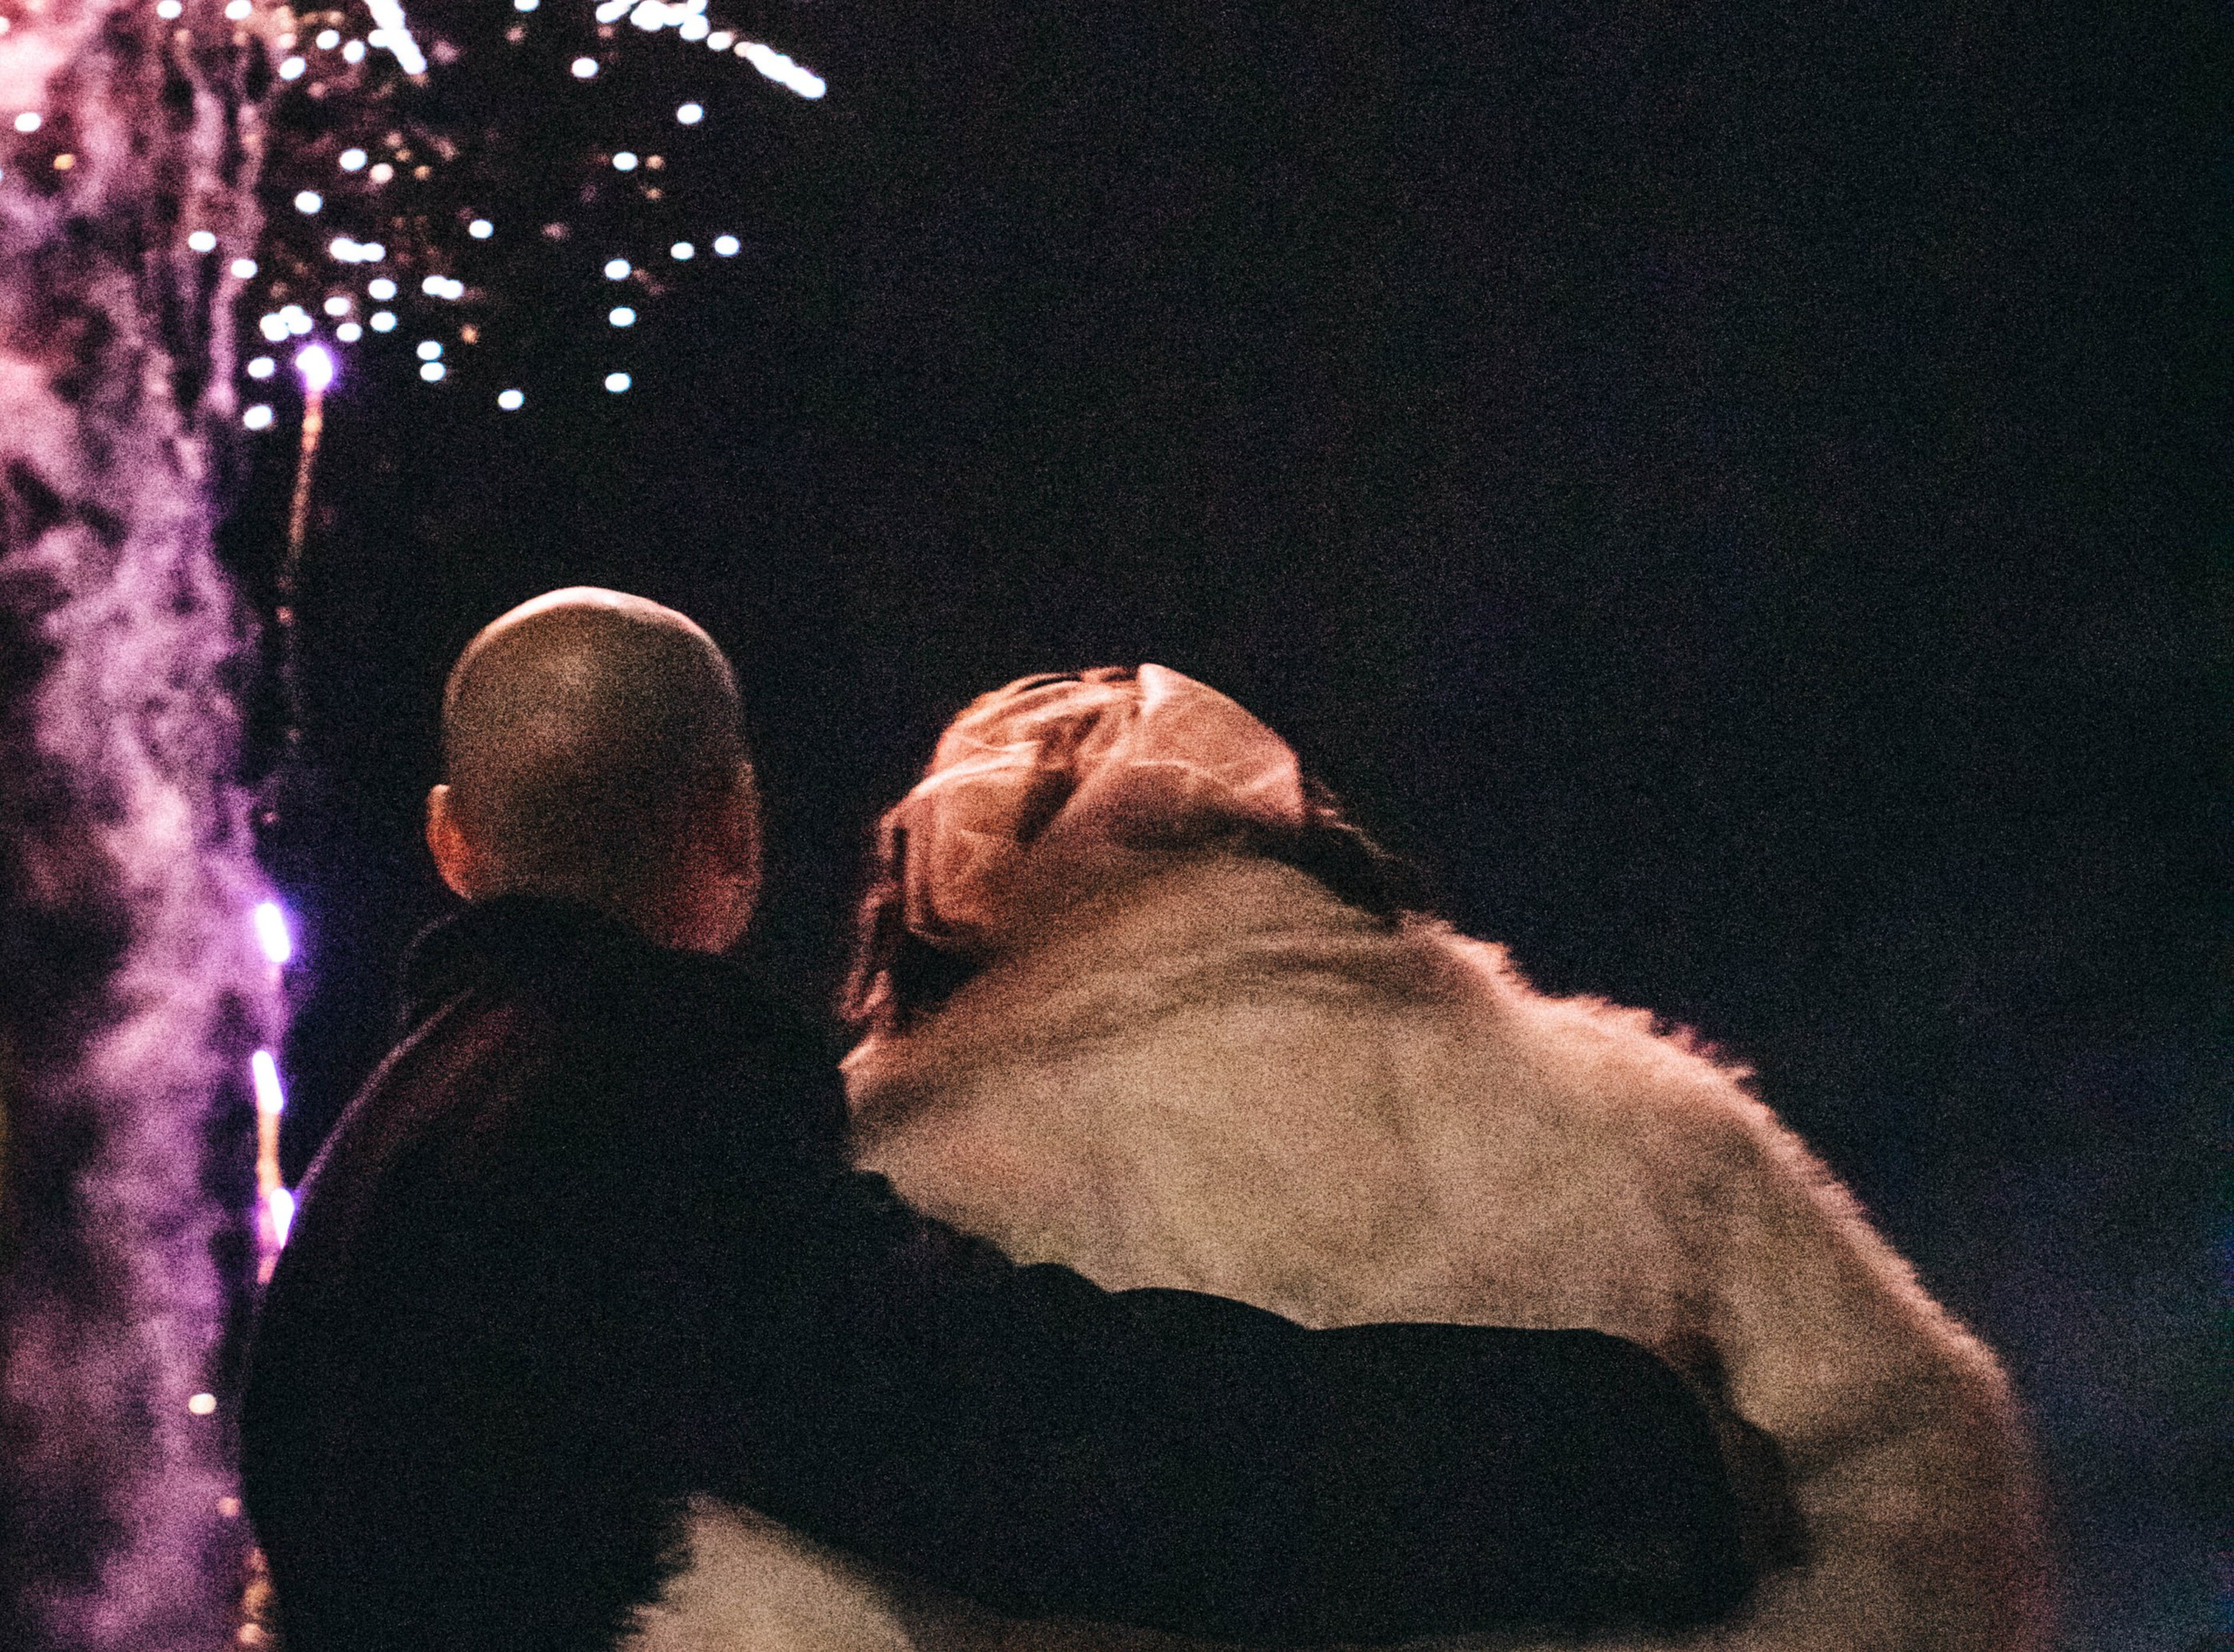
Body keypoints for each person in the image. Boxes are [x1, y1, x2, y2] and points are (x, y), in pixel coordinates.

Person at [240, 596, 1752, 1652]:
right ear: (739, 827)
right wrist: (1601, 1444)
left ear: (451, 840)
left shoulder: (368, 1174)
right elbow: (1035, 1431)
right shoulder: (649, 1103)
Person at [650, 664, 2048, 1652]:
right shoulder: (1639, 1116)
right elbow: (1920, 1464)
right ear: (1290, 832)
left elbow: (766, 1603)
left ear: (929, 903)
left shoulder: (885, 1196)